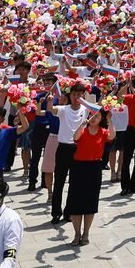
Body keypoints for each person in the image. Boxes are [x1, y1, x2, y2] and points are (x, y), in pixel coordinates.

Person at [66, 107, 115, 246]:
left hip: (94, 168)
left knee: (90, 202)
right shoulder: (83, 130)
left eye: (97, 116)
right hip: (79, 168)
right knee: (76, 202)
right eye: (92, 115)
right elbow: (75, 137)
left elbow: (112, 136)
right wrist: (82, 123)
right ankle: (76, 234)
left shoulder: (103, 132)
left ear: (101, 119)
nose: (94, 118)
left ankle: (86, 233)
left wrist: (110, 121)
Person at [50, 81, 93, 226]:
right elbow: (52, 110)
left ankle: (69, 212)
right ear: (70, 95)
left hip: (79, 148)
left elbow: (99, 109)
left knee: (75, 183)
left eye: (80, 94)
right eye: (74, 94)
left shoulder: (86, 109)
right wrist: (50, 101)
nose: (77, 97)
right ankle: (56, 212)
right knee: (59, 182)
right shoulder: (64, 109)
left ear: (83, 95)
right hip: (63, 148)